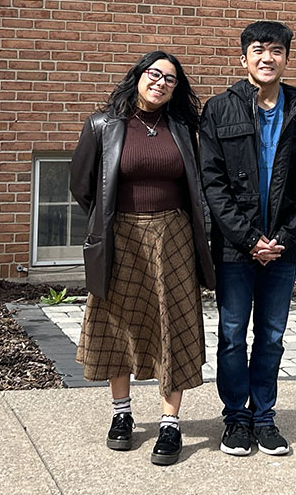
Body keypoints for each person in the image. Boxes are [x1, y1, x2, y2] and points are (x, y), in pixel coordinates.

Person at [70, 50, 216, 466]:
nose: (161, 83)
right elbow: (82, 187)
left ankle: (170, 422)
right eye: (154, 74)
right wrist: (109, 223)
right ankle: (122, 415)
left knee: (175, 321)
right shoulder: (103, 125)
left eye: (170, 79)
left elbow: (197, 186)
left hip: (173, 237)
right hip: (121, 238)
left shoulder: (183, 128)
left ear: (176, 88)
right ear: (138, 77)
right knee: (118, 323)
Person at [199, 20, 296, 457]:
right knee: (232, 333)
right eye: (258, 49)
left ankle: (264, 416)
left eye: (275, 50)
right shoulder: (218, 109)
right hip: (236, 248)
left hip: (282, 249)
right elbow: (213, 184)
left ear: (286, 58)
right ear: (243, 58)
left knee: (271, 335)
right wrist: (251, 239)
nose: (267, 57)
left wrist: (283, 239)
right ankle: (235, 418)